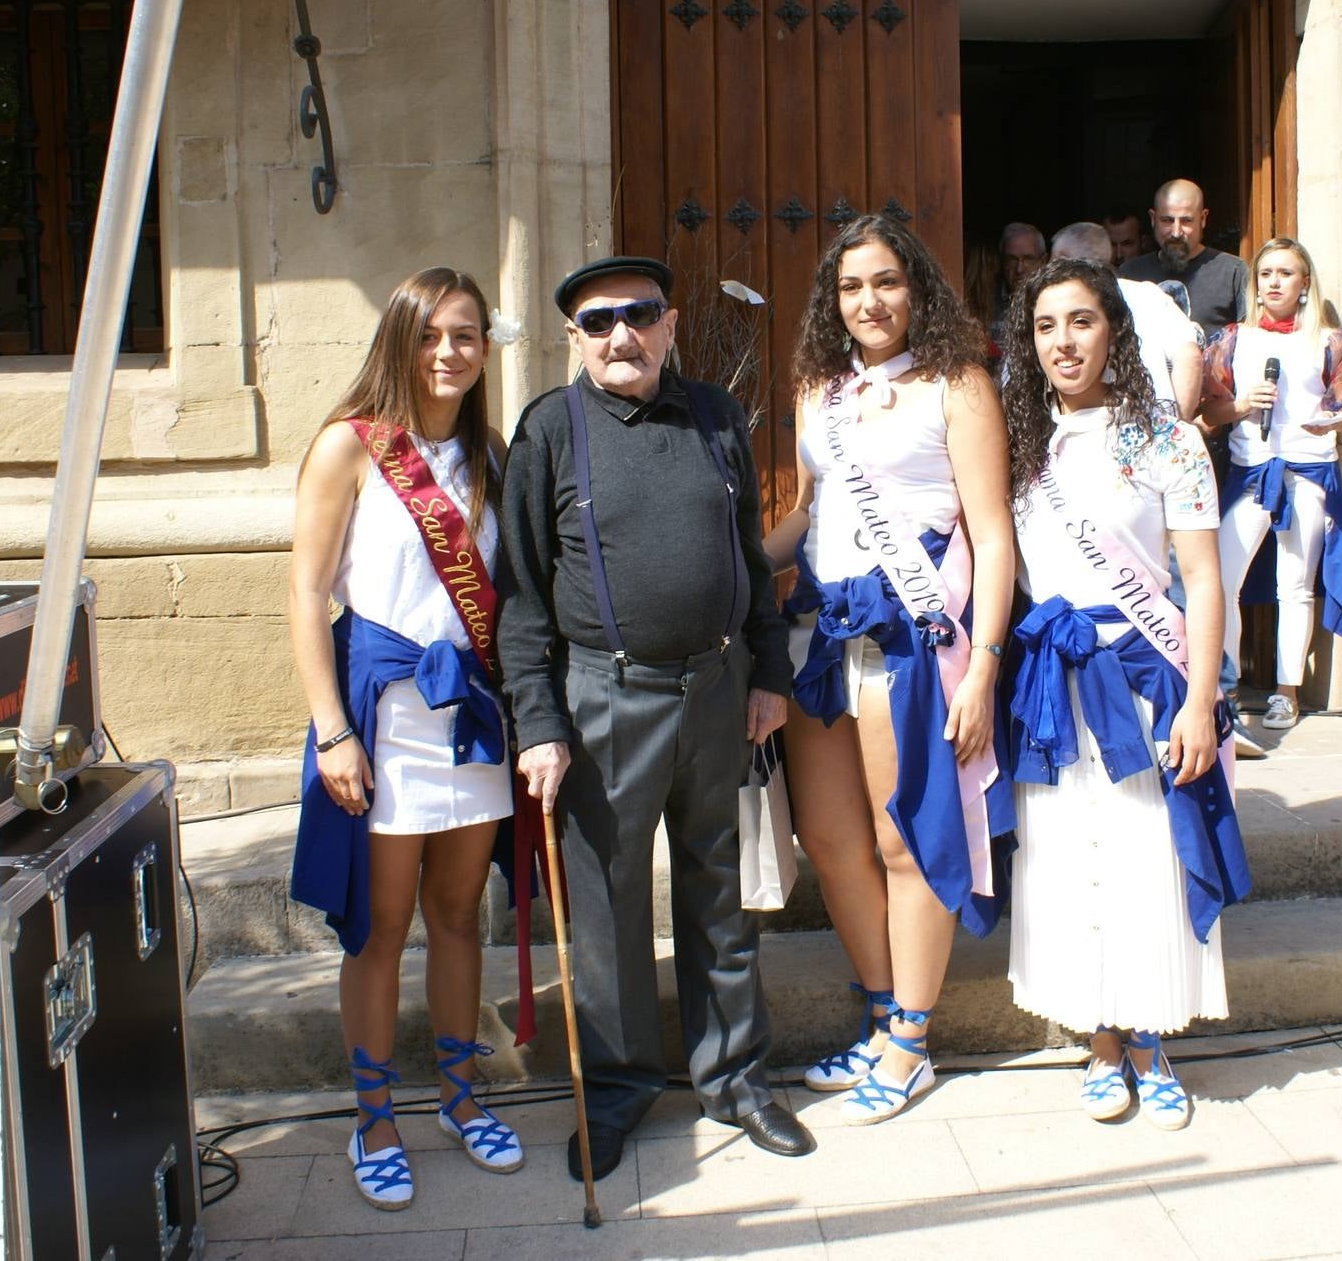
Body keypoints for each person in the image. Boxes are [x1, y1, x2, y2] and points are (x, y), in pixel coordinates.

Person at [497, 255, 815, 1182]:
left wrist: (765, 671)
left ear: (669, 324)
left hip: (717, 693)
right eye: (597, 323)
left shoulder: (715, 415)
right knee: (605, 906)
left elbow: (747, 562)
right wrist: (538, 721)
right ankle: (616, 1090)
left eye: (637, 316)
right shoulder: (550, 430)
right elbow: (520, 595)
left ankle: (738, 1079)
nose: (619, 336)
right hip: (604, 699)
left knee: (719, 891)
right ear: (574, 340)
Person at [764, 215, 1015, 1125]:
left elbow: (992, 535)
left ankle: (910, 1044)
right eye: (850, 287)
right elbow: (805, 512)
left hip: (914, 637)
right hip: (822, 635)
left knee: (900, 836)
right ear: (833, 302)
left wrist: (983, 666)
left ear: (917, 290)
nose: (868, 302)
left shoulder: (959, 385)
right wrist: (733, 566)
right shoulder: (817, 388)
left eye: (885, 283)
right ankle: (880, 1017)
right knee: (828, 841)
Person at [288, 268, 526, 1211]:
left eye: (465, 335)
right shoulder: (348, 447)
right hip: (381, 720)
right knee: (381, 928)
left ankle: (462, 1099)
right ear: (399, 339)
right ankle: (375, 1115)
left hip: (470, 718)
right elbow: (307, 596)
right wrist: (331, 731)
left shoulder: (491, 456)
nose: (448, 353)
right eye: (431, 335)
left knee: (460, 916)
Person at [999, 257, 1250, 1129]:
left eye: (1079, 322)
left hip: (1144, 675)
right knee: (1067, 857)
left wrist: (1197, 700)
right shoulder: (1015, 443)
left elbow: (1202, 580)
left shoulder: (1167, 438)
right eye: (1043, 327)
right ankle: (1098, 1043)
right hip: (1049, 686)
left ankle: (1149, 1036)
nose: (1062, 343)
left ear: (1113, 330)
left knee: (1145, 853)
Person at [1200, 237, 1342, 730]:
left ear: (1304, 284)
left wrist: (1329, 422)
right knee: (1221, 582)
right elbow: (1208, 412)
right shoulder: (1233, 339)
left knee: (1295, 588)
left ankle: (1286, 693)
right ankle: (1226, 687)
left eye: (1285, 273)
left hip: (1306, 473)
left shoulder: (1330, 341)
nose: (1274, 282)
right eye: (1266, 273)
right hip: (1252, 472)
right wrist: (1241, 405)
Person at [1048, 222, 1202, 421]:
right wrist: (1177, 430)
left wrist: (1175, 432)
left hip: (1128, 432)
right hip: (1143, 432)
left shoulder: (1145, 295)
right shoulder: (1147, 294)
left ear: (1063, 260)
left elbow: (1190, 356)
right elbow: (1189, 355)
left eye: (1052, 262)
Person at [1119, 179, 1248, 334]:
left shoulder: (1233, 271)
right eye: (1167, 220)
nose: (1176, 232)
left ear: (1203, 219)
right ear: (1153, 219)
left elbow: (1249, 339)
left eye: (1186, 221)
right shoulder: (1130, 274)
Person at [998, 221, 1048, 315]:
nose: (1019, 269)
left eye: (1028, 259)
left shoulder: (1054, 299)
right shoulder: (987, 299)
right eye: (1012, 260)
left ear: (1043, 261)